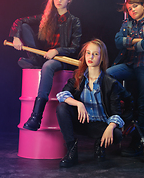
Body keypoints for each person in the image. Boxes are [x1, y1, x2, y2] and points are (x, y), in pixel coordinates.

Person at [9, 0, 82, 131]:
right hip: (43, 56)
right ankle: (34, 61)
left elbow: (74, 47)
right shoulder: (47, 18)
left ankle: (36, 117)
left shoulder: (74, 21)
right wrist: (16, 37)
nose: (59, 0)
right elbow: (19, 21)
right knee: (24, 27)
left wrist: (57, 51)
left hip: (61, 60)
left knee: (48, 66)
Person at [55, 39, 132, 168]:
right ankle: (71, 151)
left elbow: (116, 111)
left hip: (99, 126)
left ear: (101, 58)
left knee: (116, 134)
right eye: (88, 53)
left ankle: (100, 145)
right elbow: (62, 95)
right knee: (62, 108)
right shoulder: (78, 77)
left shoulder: (110, 82)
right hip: (82, 122)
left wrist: (111, 126)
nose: (90, 57)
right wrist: (78, 104)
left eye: (95, 54)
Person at [106, 0, 144, 157]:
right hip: (130, 65)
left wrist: (130, 44)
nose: (132, 11)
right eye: (129, 9)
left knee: (143, 104)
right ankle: (126, 101)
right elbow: (117, 41)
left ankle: (137, 141)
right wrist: (139, 42)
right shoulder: (126, 24)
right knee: (109, 74)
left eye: (135, 6)